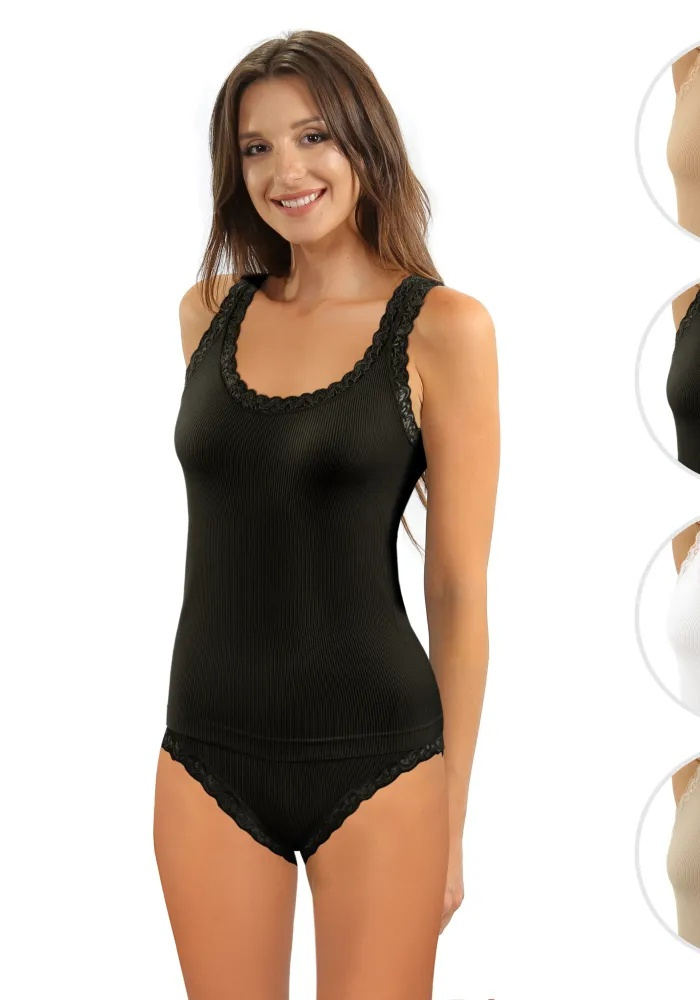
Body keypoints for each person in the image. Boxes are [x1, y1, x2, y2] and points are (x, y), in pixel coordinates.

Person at [153, 29, 499, 1000]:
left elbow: (457, 590)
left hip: (380, 762)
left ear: (363, 142)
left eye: (313, 137)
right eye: (256, 148)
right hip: (205, 755)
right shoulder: (206, 312)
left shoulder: (445, 329)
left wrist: (452, 815)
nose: (287, 171)